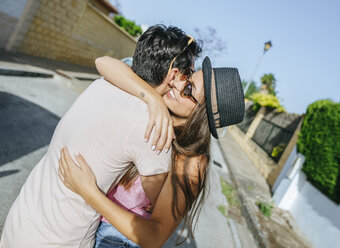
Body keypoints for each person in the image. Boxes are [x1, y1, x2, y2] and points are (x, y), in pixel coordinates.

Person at [0, 25, 202, 248]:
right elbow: (157, 213)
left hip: (19, 222)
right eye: (189, 75)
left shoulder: (103, 84)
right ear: (174, 75)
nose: (187, 83)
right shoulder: (153, 127)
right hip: (58, 240)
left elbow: (105, 63)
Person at [58, 55, 245, 248]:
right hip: (91, 222)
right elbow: (103, 63)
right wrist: (153, 98)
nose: (178, 86)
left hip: (116, 239)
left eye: (189, 90)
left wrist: (88, 191)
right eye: (187, 78)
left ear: (201, 116)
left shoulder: (192, 163)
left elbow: (154, 237)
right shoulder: (160, 107)